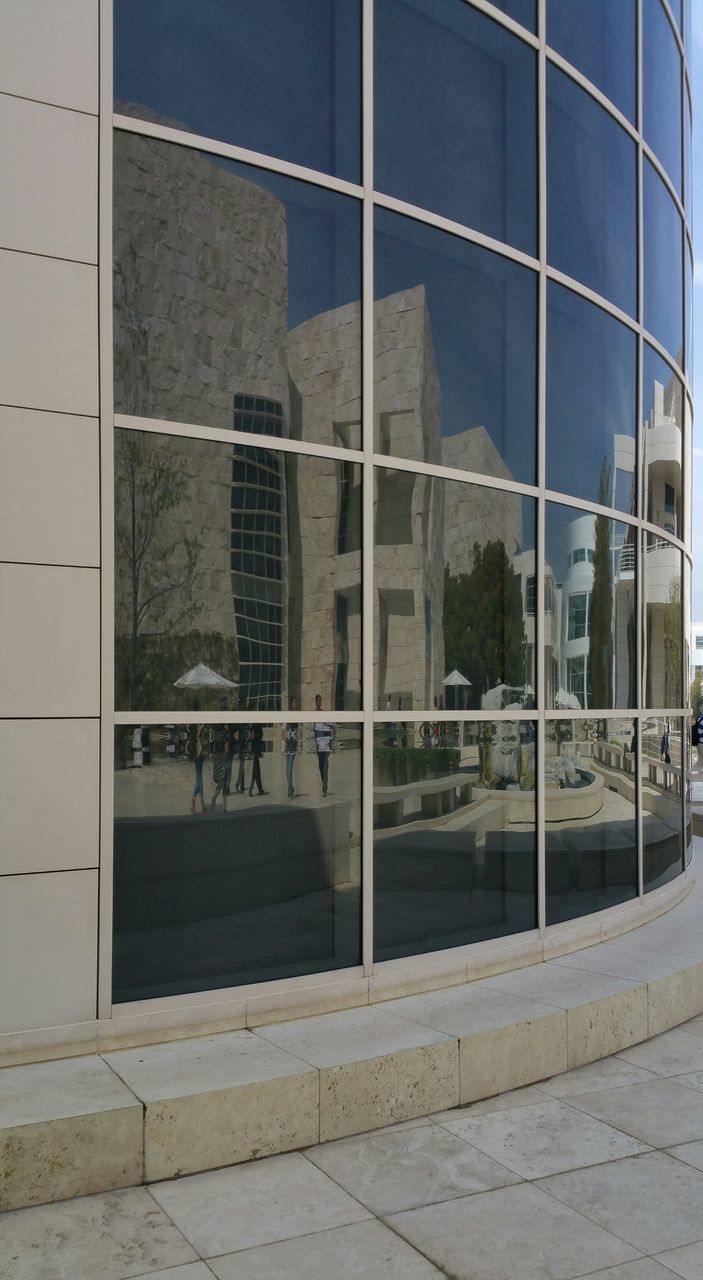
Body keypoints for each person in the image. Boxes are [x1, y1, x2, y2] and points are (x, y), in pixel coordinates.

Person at [313, 694, 335, 797]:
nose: (319, 702)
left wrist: (330, 742)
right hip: (319, 744)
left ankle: (324, 788)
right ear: (315, 702)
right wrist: (315, 743)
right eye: (318, 700)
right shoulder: (313, 714)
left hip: (326, 744)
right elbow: (314, 731)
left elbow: (330, 727)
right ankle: (324, 785)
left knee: (325, 766)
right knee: (320, 767)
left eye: (320, 700)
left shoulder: (323, 713)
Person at [186, 722, 207, 814]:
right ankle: (197, 801)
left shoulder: (192, 726)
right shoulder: (198, 727)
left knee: (199, 778)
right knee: (199, 779)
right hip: (198, 753)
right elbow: (198, 736)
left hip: (196, 752)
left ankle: (200, 801)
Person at [283, 697, 299, 800]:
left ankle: (290, 794)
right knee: (286, 772)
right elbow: (284, 730)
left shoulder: (297, 715)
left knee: (289, 771)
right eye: (293, 702)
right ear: (291, 704)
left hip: (293, 745)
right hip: (287, 745)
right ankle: (292, 788)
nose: (295, 704)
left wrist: (299, 747)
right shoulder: (287, 715)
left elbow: (298, 731)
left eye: (295, 702)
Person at [248, 724, 267, 796]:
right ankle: (251, 788)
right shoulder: (257, 725)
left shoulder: (253, 725)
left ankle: (260, 789)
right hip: (256, 748)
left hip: (255, 748)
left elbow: (252, 736)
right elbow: (258, 735)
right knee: (256, 771)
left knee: (257, 770)